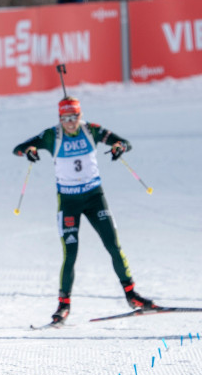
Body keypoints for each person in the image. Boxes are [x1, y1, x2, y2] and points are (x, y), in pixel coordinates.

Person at [12, 96, 156, 324]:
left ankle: (132, 296)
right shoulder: (52, 135)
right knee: (70, 254)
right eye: (65, 118)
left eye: (74, 117)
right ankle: (63, 307)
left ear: (80, 115)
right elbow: (18, 148)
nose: (70, 122)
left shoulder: (92, 130)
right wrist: (29, 151)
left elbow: (124, 142)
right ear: (60, 118)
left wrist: (119, 147)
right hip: (69, 202)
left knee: (113, 245)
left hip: (94, 197)